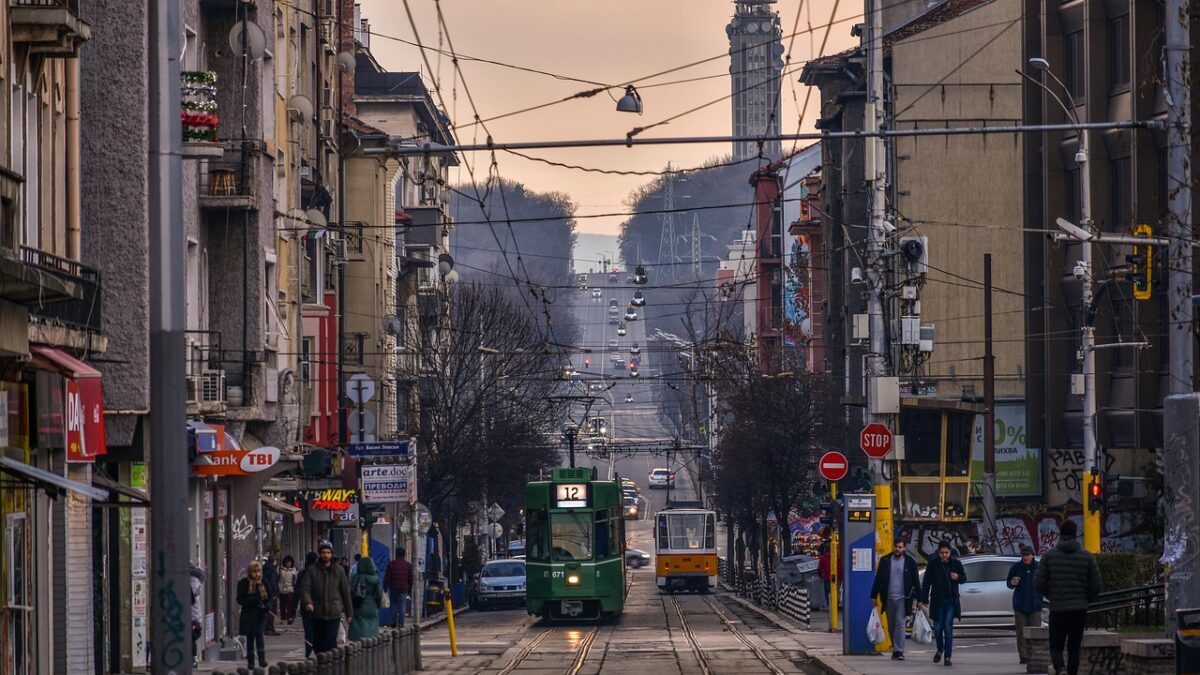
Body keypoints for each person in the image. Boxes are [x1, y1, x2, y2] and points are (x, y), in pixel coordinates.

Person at [1036, 520, 1101, 675]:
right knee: (1074, 647)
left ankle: (1060, 668)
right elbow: (1096, 584)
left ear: (1060, 534)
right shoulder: (1086, 557)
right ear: (1075, 534)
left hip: (1058, 609)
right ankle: (1071, 672)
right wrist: (1085, 599)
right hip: (1079, 610)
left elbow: (1039, 582)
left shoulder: (1049, 556)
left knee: (1056, 645)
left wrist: (1051, 595)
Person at [869, 538, 921, 661]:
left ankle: (899, 651)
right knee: (891, 626)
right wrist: (873, 595)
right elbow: (879, 580)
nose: (898, 549)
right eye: (896, 547)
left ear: (904, 548)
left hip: (903, 598)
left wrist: (920, 599)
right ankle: (895, 647)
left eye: (900, 547)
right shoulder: (885, 561)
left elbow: (916, 581)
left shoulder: (910, 562)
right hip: (888, 598)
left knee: (900, 624)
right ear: (893, 547)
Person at [299, 543, 353, 654]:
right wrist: (308, 602)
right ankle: (321, 665)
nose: (325, 555)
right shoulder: (312, 570)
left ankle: (331, 668)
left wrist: (349, 613)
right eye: (323, 553)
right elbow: (305, 589)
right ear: (320, 554)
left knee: (331, 641)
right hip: (317, 612)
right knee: (318, 642)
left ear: (331, 555)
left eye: (328, 553)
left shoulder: (339, 571)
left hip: (334, 613)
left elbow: (345, 593)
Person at [920, 540, 967, 667]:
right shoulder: (933, 564)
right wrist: (924, 598)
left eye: (946, 553)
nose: (944, 555)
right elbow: (926, 582)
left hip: (951, 600)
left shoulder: (955, 563)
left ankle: (947, 656)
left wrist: (957, 577)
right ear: (938, 552)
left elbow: (964, 578)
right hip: (937, 600)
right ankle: (940, 649)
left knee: (948, 628)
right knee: (938, 628)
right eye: (942, 553)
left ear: (950, 552)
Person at [1007, 545, 1044, 665]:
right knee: (1021, 632)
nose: (1025, 557)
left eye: (1027, 555)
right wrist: (1012, 583)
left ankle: (1035, 655)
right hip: (1020, 604)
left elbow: (1045, 582)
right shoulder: (1016, 567)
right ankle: (1023, 656)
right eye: (1023, 555)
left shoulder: (1039, 567)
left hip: (1035, 603)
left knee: (1035, 632)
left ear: (1032, 555)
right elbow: (1008, 582)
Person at [236, 561, 270, 671]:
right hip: (248, 615)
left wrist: (267, 606)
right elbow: (240, 599)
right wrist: (253, 601)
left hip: (260, 615)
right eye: (254, 572)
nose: (256, 574)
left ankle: (262, 660)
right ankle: (250, 662)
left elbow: (270, 597)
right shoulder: (243, 583)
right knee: (250, 638)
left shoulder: (264, 582)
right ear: (250, 572)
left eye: (258, 571)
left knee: (259, 635)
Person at [348, 556, 384, 640]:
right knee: (372, 626)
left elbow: (351, 591)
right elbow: (379, 594)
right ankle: (370, 642)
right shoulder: (377, 579)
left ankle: (358, 641)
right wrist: (377, 605)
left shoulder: (357, 578)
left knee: (358, 625)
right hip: (372, 606)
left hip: (359, 605)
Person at [384, 548, 415, 627]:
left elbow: (387, 576)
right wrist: (410, 589)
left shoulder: (391, 564)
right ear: (404, 555)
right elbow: (410, 578)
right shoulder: (408, 565)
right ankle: (401, 623)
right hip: (404, 587)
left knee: (393, 604)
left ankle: (393, 622)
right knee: (402, 605)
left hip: (393, 587)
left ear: (396, 554)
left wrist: (385, 586)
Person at [296, 552, 318, 657]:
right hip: (318, 606)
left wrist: (292, 609)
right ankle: (318, 651)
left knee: (308, 631)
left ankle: (308, 651)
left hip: (305, 607)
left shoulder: (302, 574)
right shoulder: (320, 573)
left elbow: (297, 592)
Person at [189, 564, 205, 667]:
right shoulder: (195, 580)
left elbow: (190, 598)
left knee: (190, 637)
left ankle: (193, 659)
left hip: (192, 617)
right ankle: (193, 659)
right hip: (194, 616)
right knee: (190, 638)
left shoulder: (192, 581)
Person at [262, 554, 280, 636]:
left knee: (266, 610)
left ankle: (265, 627)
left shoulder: (264, 568)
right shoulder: (272, 570)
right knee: (272, 610)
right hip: (271, 593)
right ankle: (270, 627)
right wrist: (274, 593)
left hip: (263, 592)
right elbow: (273, 582)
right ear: (274, 561)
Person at [277, 555, 298, 625]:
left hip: (290, 589)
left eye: (290, 562)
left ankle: (289, 618)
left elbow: (295, 580)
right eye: (287, 562)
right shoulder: (280, 569)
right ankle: (283, 618)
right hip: (281, 589)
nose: (288, 564)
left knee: (289, 604)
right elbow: (277, 578)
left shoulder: (294, 570)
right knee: (282, 605)